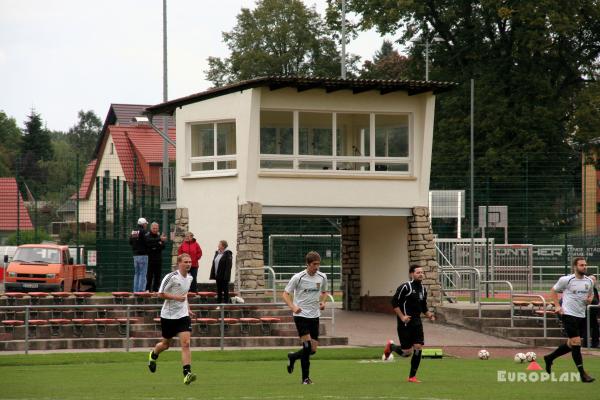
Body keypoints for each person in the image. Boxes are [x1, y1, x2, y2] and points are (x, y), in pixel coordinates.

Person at [543, 257, 595, 383]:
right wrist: (557, 306)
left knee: (571, 344)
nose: (584, 267)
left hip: (581, 315)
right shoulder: (566, 280)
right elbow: (553, 290)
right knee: (577, 343)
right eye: (582, 265)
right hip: (568, 314)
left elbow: (591, 294)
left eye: (585, 265)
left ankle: (549, 358)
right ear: (575, 267)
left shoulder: (589, 281)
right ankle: (582, 374)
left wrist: (590, 299)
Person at [148, 253, 196, 385]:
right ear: (179, 263)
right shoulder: (171, 277)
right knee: (165, 345)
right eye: (185, 262)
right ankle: (153, 355)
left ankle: (187, 374)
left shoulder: (190, 278)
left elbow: (184, 296)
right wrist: (176, 298)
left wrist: (188, 308)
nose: (188, 264)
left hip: (182, 315)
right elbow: (160, 294)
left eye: (190, 262)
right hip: (168, 316)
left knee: (186, 343)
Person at [383, 265, 435, 383]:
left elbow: (423, 306)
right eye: (418, 272)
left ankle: (412, 376)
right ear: (412, 274)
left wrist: (429, 314)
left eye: (422, 272)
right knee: (406, 353)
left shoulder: (423, 289)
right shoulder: (406, 287)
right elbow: (394, 302)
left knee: (418, 347)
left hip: (417, 322)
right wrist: (402, 317)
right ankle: (391, 347)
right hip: (405, 323)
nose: (421, 274)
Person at [283, 251, 328, 385]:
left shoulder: (322, 277)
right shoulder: (298, 277)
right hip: (301, 315)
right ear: (308, 264)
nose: (317, 267)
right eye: (314, 264)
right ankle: (305, 379)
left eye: (318, 264)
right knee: (307, 346)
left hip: (315, 316)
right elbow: (285, 294)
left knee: (312, 350)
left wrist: (323, 302)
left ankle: (293, 357)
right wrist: (293, 307)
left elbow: (324, 292)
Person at [145, 222, 167, 292]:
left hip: (158, 259)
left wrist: (156, 245)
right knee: (149, 275)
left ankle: (156, 289)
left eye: (156, 228)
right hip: (150, 259)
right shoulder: (148, 235)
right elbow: (148, 244)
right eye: (154, 228)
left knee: (157, 276)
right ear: (151, 228)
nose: (155, 229)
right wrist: (158, 242)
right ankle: (147, 289)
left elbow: (163, 246)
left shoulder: (159, 236)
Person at [209, 240, 233, 305]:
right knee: (219, 291)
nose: (218, 245)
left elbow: (228, 266)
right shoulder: (217, 253)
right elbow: (214, 264)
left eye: (219, 244)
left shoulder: (228, 253)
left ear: (223, 246)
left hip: (224, 276)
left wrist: (226, 276)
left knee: (225, 290)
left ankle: (226, 304)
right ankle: (219, 304)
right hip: (218, 275)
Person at [129, 217, 148, 292]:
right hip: (143, 255)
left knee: (137, 274)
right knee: (143, 273)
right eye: (146, 224)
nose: (146, 225)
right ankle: (141, 290)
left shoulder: (134, 231)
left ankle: (135, 290)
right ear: (143, 224)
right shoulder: (143, 231)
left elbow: (130, 242)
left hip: (135, 255)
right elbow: (147, 241)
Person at [582, 274, 599, 348]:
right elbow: (587, 300)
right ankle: (586, 344)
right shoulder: (585, 288)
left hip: (593, 312)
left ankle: (595, 344)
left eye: (594, 279)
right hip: (586, 312)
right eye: (591, 279)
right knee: (587, 328)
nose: (593, 281)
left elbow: (596, 300)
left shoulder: (594, 289)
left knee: (595, 327)